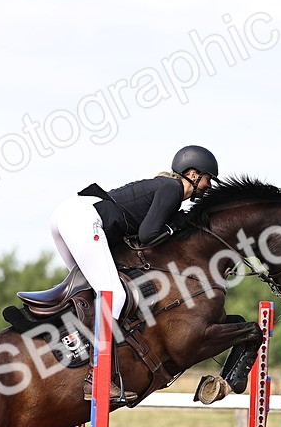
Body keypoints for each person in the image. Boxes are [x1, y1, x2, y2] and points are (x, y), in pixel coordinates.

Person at [49, 145, 219, 402]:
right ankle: (98, 377)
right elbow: (148, 235)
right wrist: (175, 227)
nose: (209, 185)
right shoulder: (172, 188)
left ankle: (72, 352)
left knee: (88, 292)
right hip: (82, 220)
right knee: (114, 295)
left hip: (66, 215)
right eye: (208, 179)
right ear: (193, 174)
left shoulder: (164, 187)